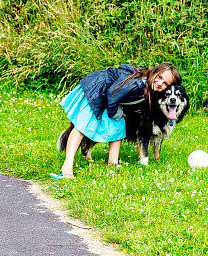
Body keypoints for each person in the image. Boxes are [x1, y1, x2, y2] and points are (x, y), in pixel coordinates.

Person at [51, 62, 182, 178]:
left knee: (118, 128)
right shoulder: (139, 83)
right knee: (82, 127)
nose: (160, 83)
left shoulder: (148, 87)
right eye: (159, 77)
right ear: (155, 71)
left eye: (165, 83)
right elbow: (113, 93)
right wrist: (116, 112)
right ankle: (67, 166)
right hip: (97, 89)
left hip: (108, 96)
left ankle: (113, 163)